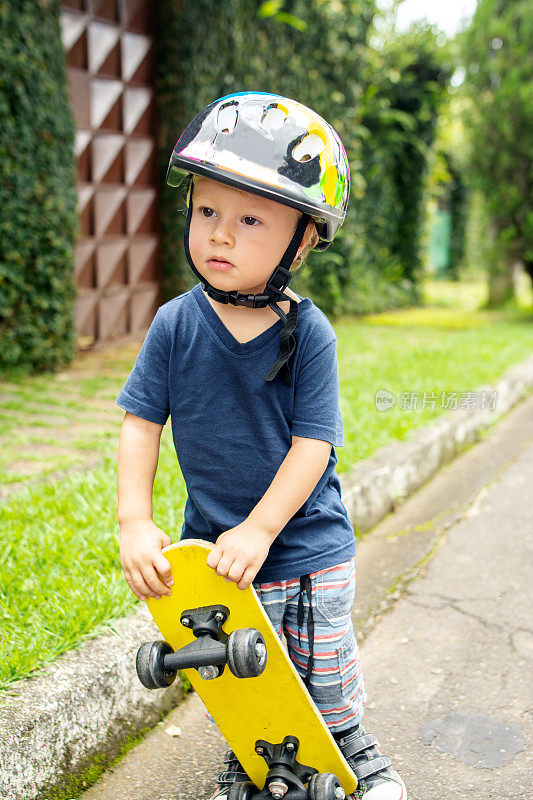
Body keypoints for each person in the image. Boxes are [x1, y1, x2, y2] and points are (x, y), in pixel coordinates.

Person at [116, 92, 406, 800]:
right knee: (242, 681)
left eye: (251, 220)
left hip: (305, 546)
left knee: (321, 676)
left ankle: (352, 751)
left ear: (301, 241)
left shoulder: (309, 334)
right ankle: (253, 765)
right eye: (208, 211)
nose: (220, 235)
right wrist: (134, 520)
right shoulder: (174, 326)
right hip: (213, 556)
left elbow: (314, 445)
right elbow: (140, 423)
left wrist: (261, 527)